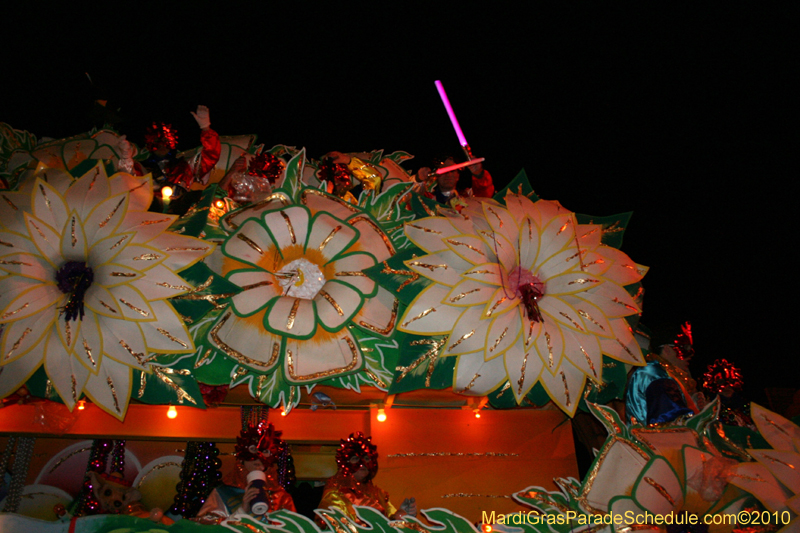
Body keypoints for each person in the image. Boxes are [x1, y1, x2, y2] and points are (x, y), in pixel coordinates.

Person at [194, 421, 295, 524]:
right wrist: (241, 511)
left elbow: (293, 527)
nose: (259, 457)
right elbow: (204, 526)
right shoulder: (223, 493)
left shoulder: (281, 498)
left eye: (265, 451)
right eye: (253, 449)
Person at [317, 432, 416, 526]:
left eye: (366, 458)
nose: (362, 463)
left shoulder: (380, 495)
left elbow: (388, 526)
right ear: (345, 463)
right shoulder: (335, 493)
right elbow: (327, 525)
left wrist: (401, 516)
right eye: (355, 458)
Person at [415, 155, 494, 206]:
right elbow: (412, 199)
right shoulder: (428, 199)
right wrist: (418, 179)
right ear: (436, 176)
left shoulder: (468, 197)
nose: (448, 174)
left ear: (458, 176)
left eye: (452, 171)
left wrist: (479, 174)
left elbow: (484, 194)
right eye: (444, 170)